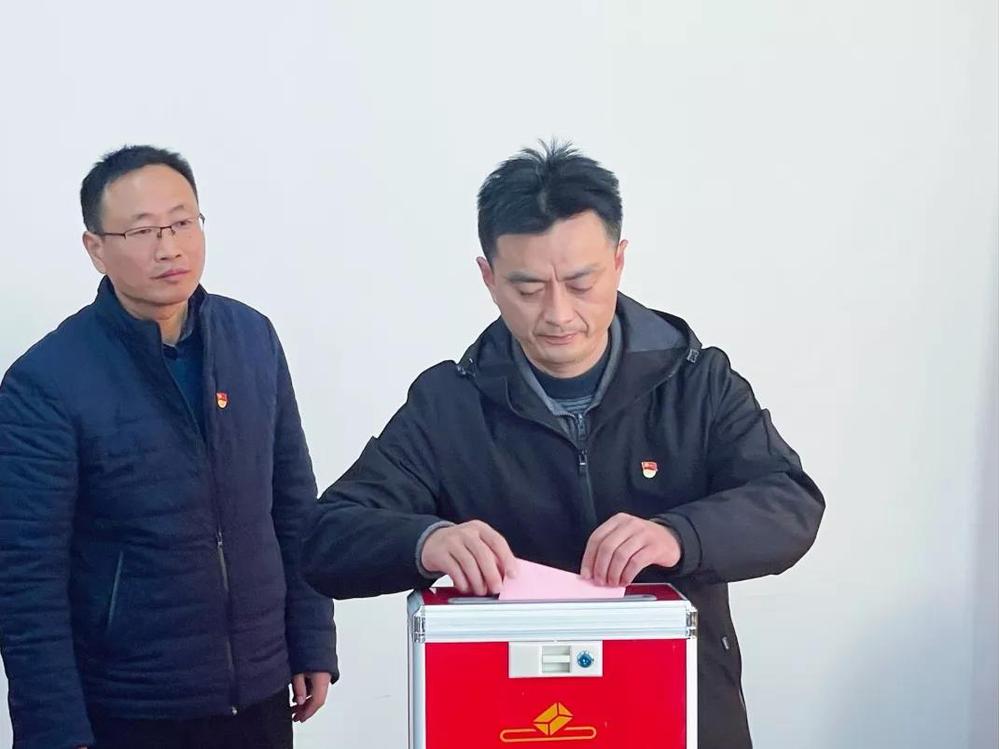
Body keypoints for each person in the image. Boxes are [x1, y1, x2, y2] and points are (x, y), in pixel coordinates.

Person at [302, 140, 823, 748]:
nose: (557, 313)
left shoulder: (695, 382)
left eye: (581, 282)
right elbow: (327, 538)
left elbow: (790, 503)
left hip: (681, 711)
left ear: (619, 261)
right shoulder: (450, 405)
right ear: (488, 278)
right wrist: (426, 541)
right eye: (527, 288)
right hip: (513, 721)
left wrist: (679, 535)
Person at [0, 146, 337, 749]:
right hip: (130, 704)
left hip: (260, 691)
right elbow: (25, 575)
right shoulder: (46, 381)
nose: (169, 248)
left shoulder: (251, 338)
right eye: (142, 231)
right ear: (96, 248)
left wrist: (310, 639)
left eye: (182, 222)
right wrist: (54, 728)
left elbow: (293, 505)